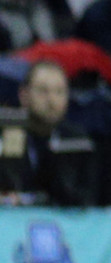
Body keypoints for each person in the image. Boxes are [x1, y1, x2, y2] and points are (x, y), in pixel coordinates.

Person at [0, 58, 98, 206]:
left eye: (59, 92)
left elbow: (87, 197)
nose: (52, 100)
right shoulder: (6, 131)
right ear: (23, 95)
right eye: (42, 91)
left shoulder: (77, 140)